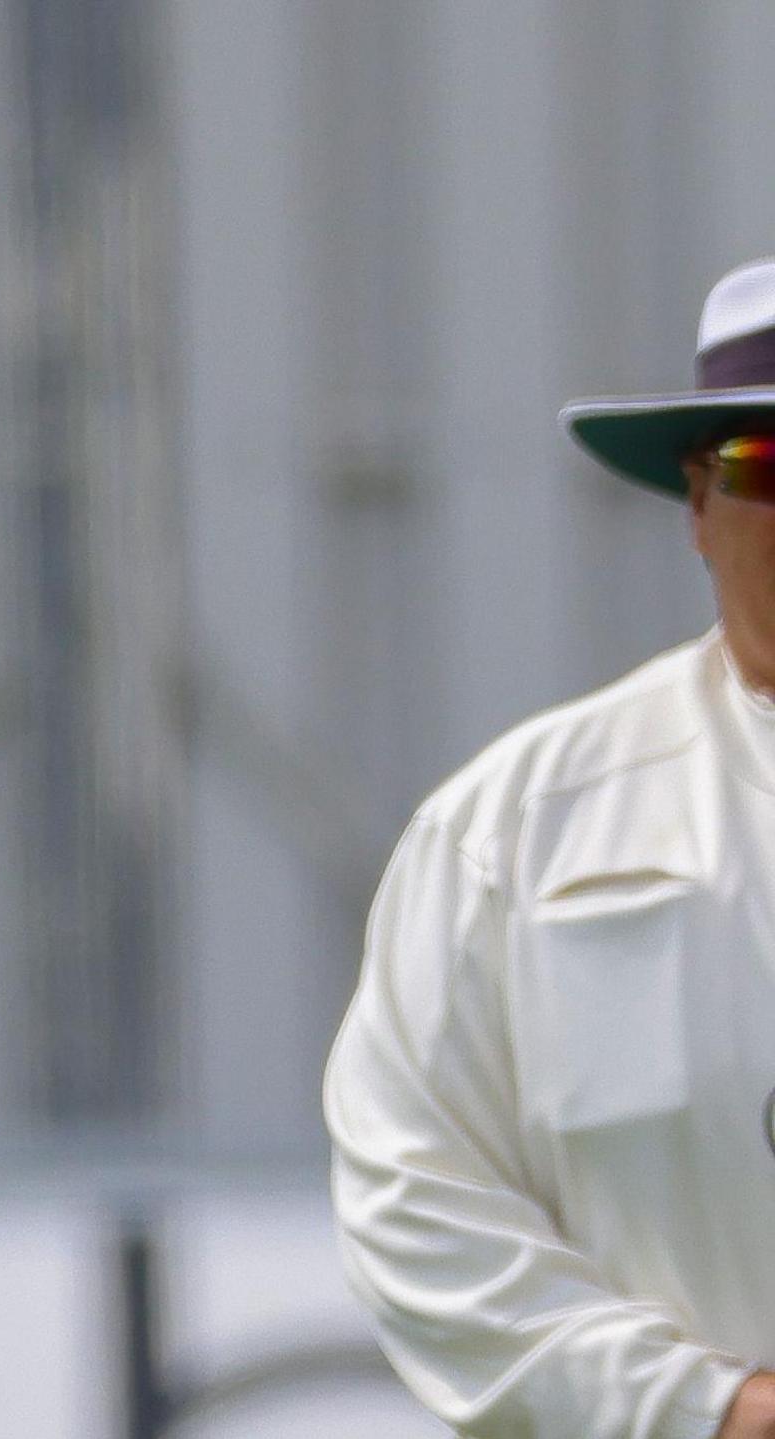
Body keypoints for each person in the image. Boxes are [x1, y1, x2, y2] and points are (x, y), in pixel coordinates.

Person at [326, 255, 775, 1437]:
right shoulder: (514, 828)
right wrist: (712, 1411)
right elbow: (413, 1191)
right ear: (695, 501)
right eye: (765, 463)